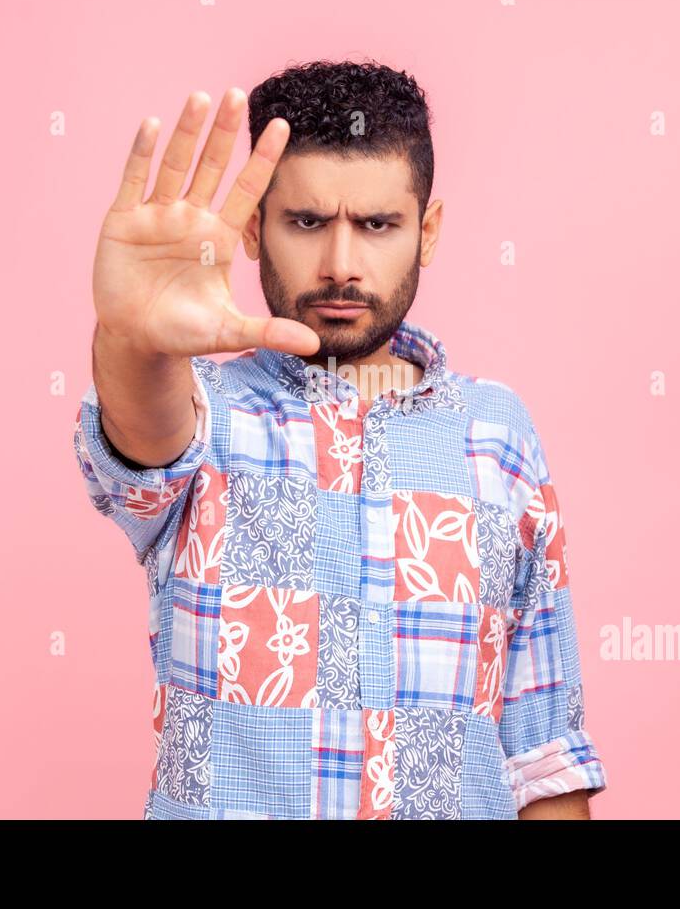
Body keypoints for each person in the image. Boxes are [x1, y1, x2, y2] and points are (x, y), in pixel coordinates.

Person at [73, 60, 606, 819]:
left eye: (378, 225)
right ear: (254, 228)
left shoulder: (498, 432)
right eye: (308, 222)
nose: (341, 266)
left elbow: (543, 755)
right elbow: (139, 439)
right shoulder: (203, 409)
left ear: (428, 232)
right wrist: (133, 339)